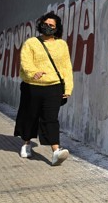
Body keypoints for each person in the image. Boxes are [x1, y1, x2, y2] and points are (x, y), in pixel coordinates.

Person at [14, 12, 74, 166]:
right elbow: (25, 62)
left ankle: (56, 151)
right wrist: (33, 73)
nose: (47, 27)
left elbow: (67, 67)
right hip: (32, 86)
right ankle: (26, 144)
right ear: (40, 24)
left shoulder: (62, 45)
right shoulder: (31, 43)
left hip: (54, 87)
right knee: (30, 116)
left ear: (56, 28)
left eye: (51, 25)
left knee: (50, 118)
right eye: (45, 24)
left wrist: (68, 87)